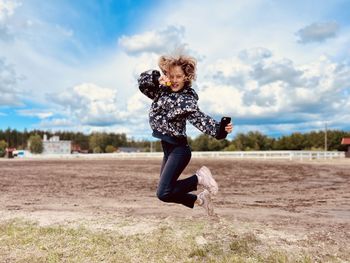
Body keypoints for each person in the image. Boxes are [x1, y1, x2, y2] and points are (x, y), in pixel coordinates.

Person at [138, 54, 233, 216]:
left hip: (179, 150)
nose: (174, 80)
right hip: (168, 149)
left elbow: (201, 119)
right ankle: (200, 201)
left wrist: (220, 130)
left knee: (163, 193)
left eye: (179, 76)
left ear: (186, 77)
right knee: (167, 192)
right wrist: (157, 79)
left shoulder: (186, 100)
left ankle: (200, 178)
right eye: (171, 75)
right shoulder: (161, 91)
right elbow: (142, 82)